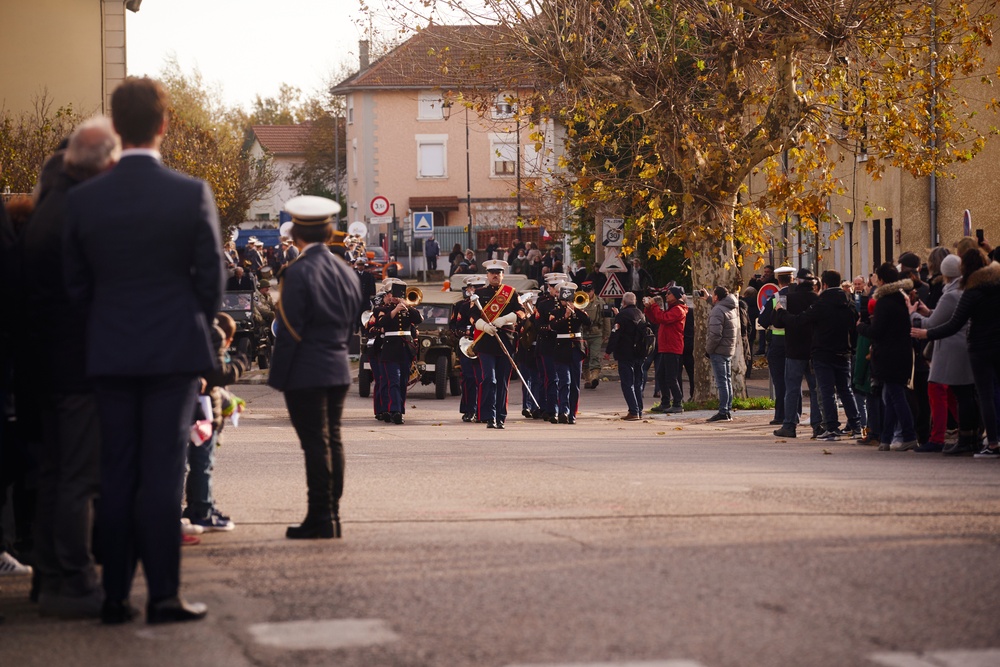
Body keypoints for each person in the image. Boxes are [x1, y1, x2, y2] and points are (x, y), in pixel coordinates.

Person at [65, 77, 223, 625]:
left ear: (115, 124)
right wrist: (192, 323)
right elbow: (212, 282)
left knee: (117, 471)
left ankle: (113, 597)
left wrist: (104, 324)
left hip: (109, 352)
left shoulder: (84, 199)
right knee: (162, 473)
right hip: (173, 352)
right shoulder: (190, 192)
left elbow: (74, 285)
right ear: (164, 124)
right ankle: (162, 596)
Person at [20, 116, 120, 618]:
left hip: (46, 365)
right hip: (75, 365)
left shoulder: (49, 202)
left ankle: (50, 577)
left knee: (57, 474)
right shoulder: (73, 211)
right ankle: (74, 579)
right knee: (79, 477)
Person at [268, 195, 363, 538]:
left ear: (296, 235)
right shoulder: (346, 270)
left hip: (307, 368)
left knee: (315, 444)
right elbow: (353, 319)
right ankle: (332, 515)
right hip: (338, 365)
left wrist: (278, 376)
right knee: (332, 441)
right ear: (329, 232)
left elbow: (289, 328)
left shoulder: (297, 271)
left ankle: (320, 517)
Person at [912, 248, 1000, 457]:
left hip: (979, 347)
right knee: (980, 394)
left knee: (979, 395)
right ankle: (977, 438)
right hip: (996, 345)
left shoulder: (969, 291)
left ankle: (988, 442)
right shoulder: (995, 287)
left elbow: (954, 323)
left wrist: (926, 332)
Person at [775, 270, 861, 439]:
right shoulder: (847, 302)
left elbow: (795, 321)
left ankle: (795, 425)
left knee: (809, 389)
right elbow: (854, 326)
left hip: (812, 351)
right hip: (842, 351)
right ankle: (848, 425)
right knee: (841, 390)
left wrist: (781, 312)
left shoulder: (817, 302)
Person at [908, 253, 978, 454]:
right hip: (957, 346)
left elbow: (935, 323)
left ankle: (949, 438)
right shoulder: (960, 290)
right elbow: (942, 316)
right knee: (959, 394)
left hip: (949, 348)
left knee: (950, 392)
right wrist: (927, 311)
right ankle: (969, 436)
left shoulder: (950, 294)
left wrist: (912, 312)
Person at [184, 313, 248, 532]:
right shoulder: (214, 334)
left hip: (194, 406)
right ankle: (202, 510)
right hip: (203, 411)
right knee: (203, 464)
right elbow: (218, 375)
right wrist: (241, 362)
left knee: (194, 464)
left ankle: (198, 506)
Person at [859, 263, 917, 451]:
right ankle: (886, 438)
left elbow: (877, 331)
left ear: (882, 280)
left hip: (888, 355)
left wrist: (861, 327)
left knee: (895, 396)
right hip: (902, 352)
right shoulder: (902, 297)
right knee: (890, 396)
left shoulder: (885, 302)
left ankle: (908, 435)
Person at [471, 259, 524, 429]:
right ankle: (489, 416)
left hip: (505, 342)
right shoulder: (479, 293)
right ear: (487, 275)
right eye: (492, 273)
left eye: (498, 273)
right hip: (486, 342)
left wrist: (504, 320)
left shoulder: (511, 293)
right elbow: (472, 317)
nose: (495, 275)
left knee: (502, 381)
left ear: (502, 275)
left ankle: (500, 416)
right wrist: (485, 326)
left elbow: (522, 313)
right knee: (489, 379)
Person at [375, 279, 422, 424]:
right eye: (392, 293)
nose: (394, 296)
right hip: (390, 349)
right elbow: (381, 323)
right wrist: (395, 310)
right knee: (393, 380)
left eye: (397, 293)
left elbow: (419, 319)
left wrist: (407, 306)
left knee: (402, 382)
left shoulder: (407, 308)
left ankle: (399, 409)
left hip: (405, 349)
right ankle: (395, 410)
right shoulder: (383, 310)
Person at [549, 281, 591, 423]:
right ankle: (563, 411)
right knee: (564, 382)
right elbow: (553, 326)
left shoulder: (579, 312)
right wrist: (565, 317)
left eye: (569, 300)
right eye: (564, 300)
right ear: (559, 300)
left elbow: (588, 322)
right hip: (561, 348)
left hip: (576, 348)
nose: (566, 302)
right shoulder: (555, 313)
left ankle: (572, 413)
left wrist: (577, 310)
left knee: (575, 383)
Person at [758, 266, 795, 426]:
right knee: (795, 379)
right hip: (796, 341)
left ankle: (781, 414)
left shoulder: (775, 297)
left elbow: (762, 320)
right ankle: (796, 413)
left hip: (778, 342)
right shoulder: (800, 296)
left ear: (778, 281)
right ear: (792, 279)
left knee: (780, 381)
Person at [645, 286, 687, 414]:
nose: (667, 296)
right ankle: (665, 402)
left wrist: (654, 306)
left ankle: (678, 402)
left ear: (676, 296)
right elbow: (656, 319)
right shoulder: (672, 309)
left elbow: (663, 318)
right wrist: (648, 308)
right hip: (665, 347)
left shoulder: (679, 310)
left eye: (669, 294)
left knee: (671, 377)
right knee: (661, 375)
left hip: (672, 347)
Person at [605, 291, 646, 420]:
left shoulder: (622, 316)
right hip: (640, 353)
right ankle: (639, 409)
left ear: (623, 302)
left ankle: (633, 411)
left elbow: (615, 334)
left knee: (627, 383)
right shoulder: (641, 314)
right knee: (637, 382)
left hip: (625, 354)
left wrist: (608, 351)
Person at [451, 276, 485, 422]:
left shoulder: (488, 305)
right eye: (474, 288)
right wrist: (464, 332)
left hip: (484, 344)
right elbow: (454, 326)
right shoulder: (461, 306)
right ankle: (469, 409)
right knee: (469, 378)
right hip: (467, 345)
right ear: (469, 289)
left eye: (480, 288)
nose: (476, 290)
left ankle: (482, 410)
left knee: (483, 379)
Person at [705, 286, 739, 422]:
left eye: (713, 295)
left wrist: (708, 350)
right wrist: (707, 298)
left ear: (716, 297)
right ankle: (727, 409)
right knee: (727, 380)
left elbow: (715, 334)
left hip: (718, 350)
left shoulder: (717, 310)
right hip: (728, 348)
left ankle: (723, 411)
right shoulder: (731, 307)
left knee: (722, 382)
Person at [580, 280, 611, 389]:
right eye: (585, 291)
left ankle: (594, 378)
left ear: (593, 290)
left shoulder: (600, 302)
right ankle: (587, 379)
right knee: (585, 357)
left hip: (596, 333)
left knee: (594, 356)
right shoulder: (579, 301)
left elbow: (606, 318)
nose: (587, 293)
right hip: (583, 333)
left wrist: (607, 333)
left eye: (589, 291)